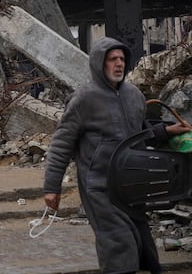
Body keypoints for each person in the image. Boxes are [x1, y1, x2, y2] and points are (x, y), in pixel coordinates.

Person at [43, 37, 192, 274]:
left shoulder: (134, 96)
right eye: (112, 59)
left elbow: (141, 136)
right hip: (98, 186)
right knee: (118, 241)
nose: (119, 64)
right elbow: (61, 144)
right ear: (99, 64)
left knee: (142, 242)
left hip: (132, 185)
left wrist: (165, 131)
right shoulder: (84, 99)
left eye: (122, 59)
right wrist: (52, 187)